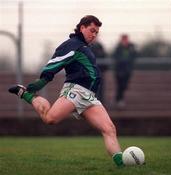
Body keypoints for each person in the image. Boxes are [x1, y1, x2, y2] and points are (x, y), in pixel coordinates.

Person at [8, 15, 123, 167]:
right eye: (92, 30)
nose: (94, 35)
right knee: (50, 119)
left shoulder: (84, 47)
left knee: (109, 129)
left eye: (96, 32)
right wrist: (42, 81)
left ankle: (123, 165)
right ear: (82, 27)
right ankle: (25, 94)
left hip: (89, 96)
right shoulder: (72, 44)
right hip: (75, 90)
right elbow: (56, 62)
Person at [112, 34, 137, 107]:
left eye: (126, 39)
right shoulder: (118, 48)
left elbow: (135, 55)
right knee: (120, 85)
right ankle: (119, 100)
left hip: (127, 71)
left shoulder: (131, 47)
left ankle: (118, 99)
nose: (125, 41)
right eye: (124, 39)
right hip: (119, 71)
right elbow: (116, 57)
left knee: (124, 86)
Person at [90, 38, 108, 104]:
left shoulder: (100, 46)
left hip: (100, 71)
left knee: (100, 88)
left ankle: (100, 102)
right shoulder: (87, 46)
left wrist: (105, 68)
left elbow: (104, 57)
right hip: (91, 72)